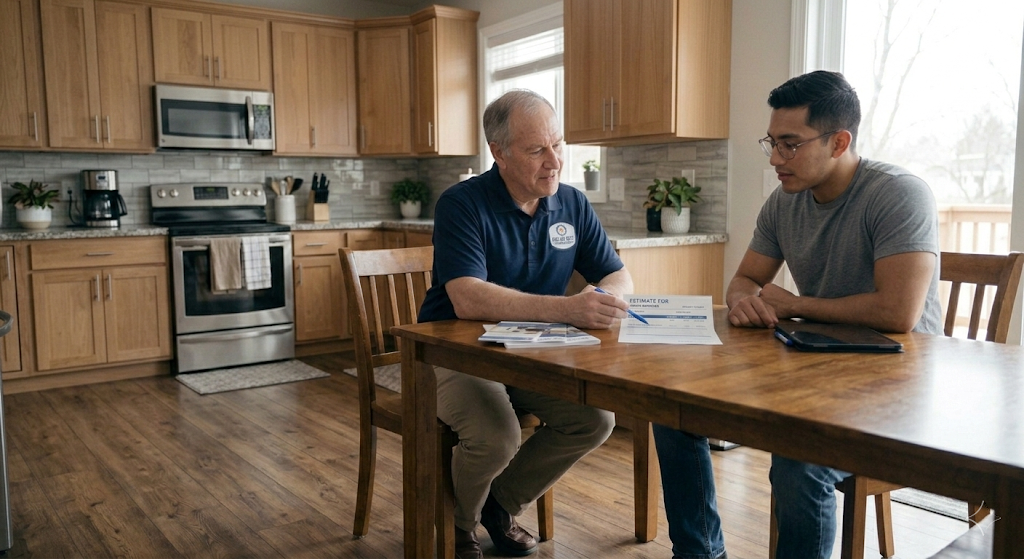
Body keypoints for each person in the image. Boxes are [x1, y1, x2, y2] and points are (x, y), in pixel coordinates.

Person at [727, 70, 942, 558]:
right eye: (772, 143)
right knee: (678, 415)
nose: (777, 158)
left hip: (900, 385)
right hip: (817, 369)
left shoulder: (899, 194)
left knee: (800, 460)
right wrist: (746, 300)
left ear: (839, 141)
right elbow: (744, 279)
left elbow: (898, 312)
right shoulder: (784, 201)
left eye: (790, 144)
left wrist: (795, 304)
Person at [417, 89, 636, 559]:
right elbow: (467, 296)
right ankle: (460, 526)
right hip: (454, 350)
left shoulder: (572, 204)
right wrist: (568, 309)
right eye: (538, 149)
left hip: (529, 349)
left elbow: (616, 272)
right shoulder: (462, 203)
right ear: (499, 153)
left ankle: (500, 504)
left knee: (594, 420)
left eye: (558, 144)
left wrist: (609, 297)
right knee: (497, 436)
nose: (554, 161)